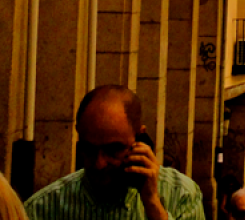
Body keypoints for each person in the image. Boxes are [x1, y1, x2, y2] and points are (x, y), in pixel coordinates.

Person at [24, 85, 204, 220]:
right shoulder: (44, 208)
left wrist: (152, 204)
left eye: (113, 150)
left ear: (139, 139)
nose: (99, 163)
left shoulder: (181, 195)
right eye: (89, 149)